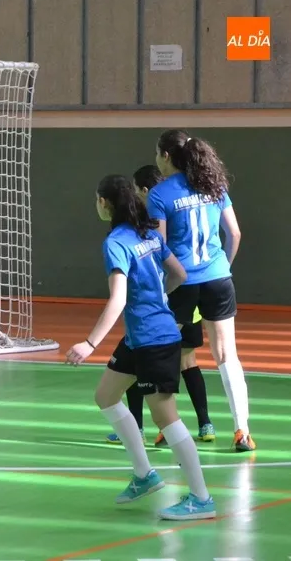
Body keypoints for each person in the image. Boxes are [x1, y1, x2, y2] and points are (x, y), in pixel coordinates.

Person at [66, 174, 215, 521]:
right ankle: (145, 475)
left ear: (104, 203)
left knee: (166, 417)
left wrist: (90, 343)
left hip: (154, 340)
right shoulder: (148, 233)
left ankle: (201, 498)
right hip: (140, 337)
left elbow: (118, 299)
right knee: (106, 396)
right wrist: (157, 297)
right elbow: (178, 274)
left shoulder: (116, 243)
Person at [149, 130, 254, 452]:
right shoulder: (214, 185)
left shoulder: (160, 194)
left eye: (156, 153)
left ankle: (168, 428)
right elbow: (234, 233)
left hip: (181, 283)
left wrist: (162, 287)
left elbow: (159, 247)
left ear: (166, 156)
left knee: (167, 353)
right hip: (218, 279)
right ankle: (242, 431)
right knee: (226, 355)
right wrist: (223, 267)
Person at [106, 164, 214, 446]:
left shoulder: (150, 218)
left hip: (163, 302)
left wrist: (156, 292)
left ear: (145, 191)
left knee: (144, 355)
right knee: (185, 360)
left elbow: (159, 253)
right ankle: (205, 423)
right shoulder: (184, 199)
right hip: (192, 289)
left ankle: (146, 427)